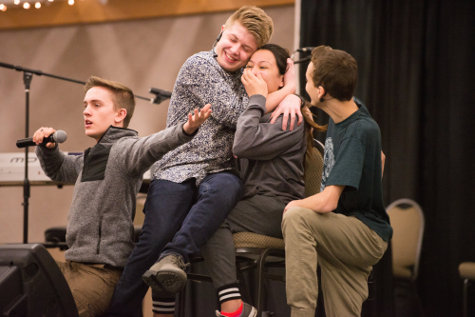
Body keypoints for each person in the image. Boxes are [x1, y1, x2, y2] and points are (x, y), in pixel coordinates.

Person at [106, 6, 302, 317]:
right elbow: (238, 114)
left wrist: (290, 96)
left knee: (227, 189)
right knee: (153, 240)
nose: (235, 51)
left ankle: (179, 261)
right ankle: (119, 311)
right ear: (223, 28)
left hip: (218, 171)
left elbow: (255, 107)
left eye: (246, 49)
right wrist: (290, 90)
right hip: (178, 168)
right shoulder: (199, 64)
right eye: (233, 39)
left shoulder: (246, 76)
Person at [33, 75, 211, 317]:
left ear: (119, 115)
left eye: (96, 105)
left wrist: (186, 129)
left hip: (100, 274)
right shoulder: (91, 157)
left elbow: (152, 144)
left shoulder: (124, 150)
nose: (86, 112)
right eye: (85, 105)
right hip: (72, 267)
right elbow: (60, 170)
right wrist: (48, 150)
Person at [201, 43, 326, 317]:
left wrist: (263, 98)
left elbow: (243, 145)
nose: (253, 72)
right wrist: (281, 94)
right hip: (250, 204)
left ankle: (233, 307)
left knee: (208, 216)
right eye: (249, 67)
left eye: (263, 67)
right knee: (194, 211)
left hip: (278, 209)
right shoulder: (253, 111)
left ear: (282, 78)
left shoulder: (288, 115)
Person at [281, 45, 393, 317]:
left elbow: (329, 200)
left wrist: (296, 204)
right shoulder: (348, 111)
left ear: (321, 92)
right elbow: (380, 158)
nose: (306, 86)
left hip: (363, 233)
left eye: (308, 80)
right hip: (345, 229)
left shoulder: (358, 130)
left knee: (297, 217)